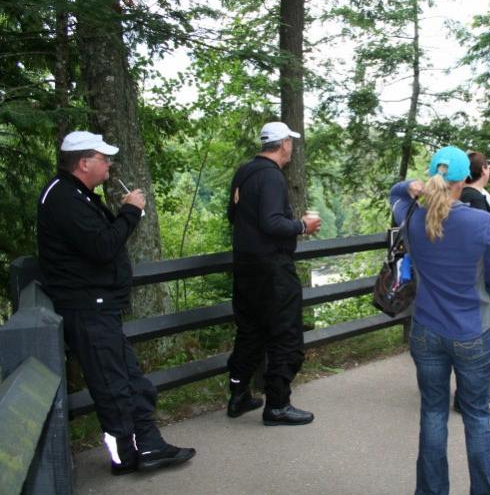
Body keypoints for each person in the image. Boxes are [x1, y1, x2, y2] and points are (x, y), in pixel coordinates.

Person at [37, 131, 195, 475]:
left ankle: (149, 445)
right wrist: (131, 212)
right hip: (87, 306)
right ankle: (125, 457)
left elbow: (99, 242)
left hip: (99, 305)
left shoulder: (77, 194)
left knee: (130, 378)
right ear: (84, 163)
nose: (109, 164)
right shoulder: (63, 198)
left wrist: (124, 215)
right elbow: (103, 246)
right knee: (112, 385)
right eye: (104, 158)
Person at [391, 146, 490, 495]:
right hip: (472, 331)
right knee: (477, 416)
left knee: (432, 413)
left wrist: (410, 186)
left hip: (426, 330)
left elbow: (394, 194)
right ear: (463, 180)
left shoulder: (412, 216)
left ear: (432, 177)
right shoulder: (481, 222)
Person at [226, 121, 321, 426]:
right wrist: (303, 226)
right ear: (284, 144)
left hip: (245, 267)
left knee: (250, 332)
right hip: (272, 270)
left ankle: (239, 395)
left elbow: (233, 215)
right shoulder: (272, 176)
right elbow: (271, 222)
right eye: (291, 142)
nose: (292, 147)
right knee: (285, 334)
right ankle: (277, 405)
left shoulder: (244, 172)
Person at [456, 151, 490, 413]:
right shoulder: (475, 199)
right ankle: (471, 396)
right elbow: (482, 243)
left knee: (478, 335)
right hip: (484, 278)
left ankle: (477, 391)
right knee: (482, 337)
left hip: (474, 276)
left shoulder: (467, 197)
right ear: (484, 170)